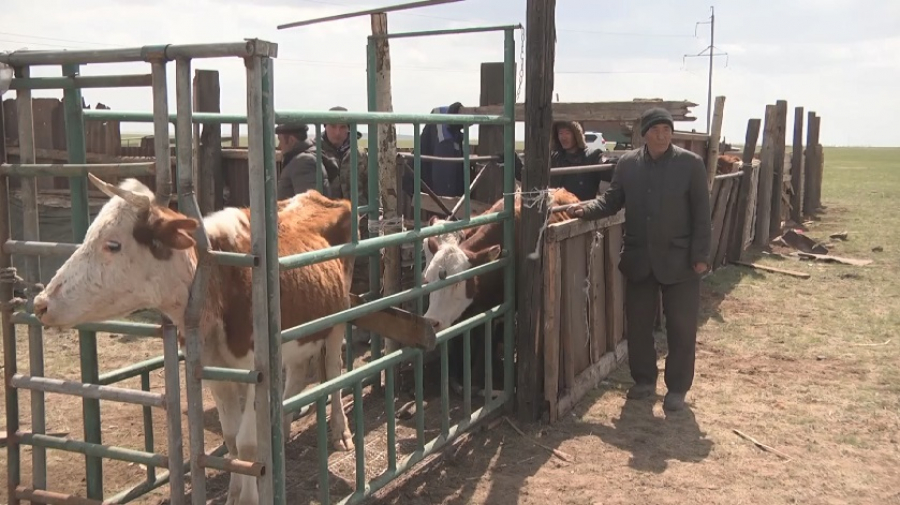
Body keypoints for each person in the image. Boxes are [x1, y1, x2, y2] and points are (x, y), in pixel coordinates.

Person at [565, 107, 712, 412]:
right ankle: (644, 380)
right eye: (656, 130)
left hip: (681, 261)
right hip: (640, 259)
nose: (662, 135)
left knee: (682, 329)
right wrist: (584, 209)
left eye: (667, 130)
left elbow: (701, 214)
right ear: (644, 133)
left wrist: (700, 256)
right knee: (639, 326)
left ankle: (677, 388)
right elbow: (612, 200)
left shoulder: (691, 164)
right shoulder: (629, 164)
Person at [549, 120, 610, 201]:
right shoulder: (554, 157)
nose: (563, 137)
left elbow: (610, 169)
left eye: (568, 133)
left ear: (576, 135)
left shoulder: (591, 156)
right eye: (560, 133)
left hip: (583, 209)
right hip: (558, 210)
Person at [275, 122, 329, 200]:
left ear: (291, 140)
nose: (279, 145)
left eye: (280, 140)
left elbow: (308, 204)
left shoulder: (303, 162)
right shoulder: (305, 157)